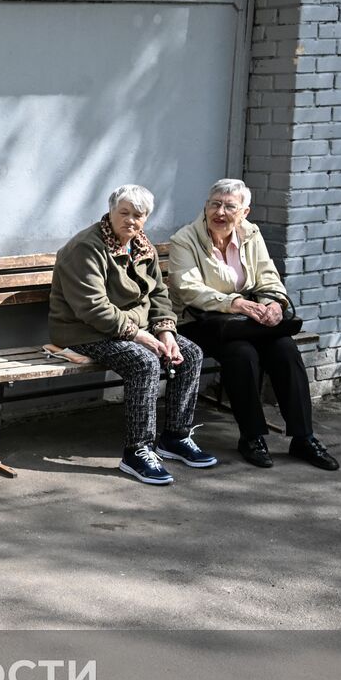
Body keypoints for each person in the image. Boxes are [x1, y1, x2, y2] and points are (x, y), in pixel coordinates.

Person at [48, 185, 217, 485]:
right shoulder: (87, 248)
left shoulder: (142, 246)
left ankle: (176, 436)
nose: (130, 220)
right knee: (144, 362)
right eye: (123, 213)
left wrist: (165, 330)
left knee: (189, 353)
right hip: (83, 330)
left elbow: (160, 295)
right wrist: (138, 334)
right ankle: (137, 450)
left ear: (146, 218)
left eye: (138, 215)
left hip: (131, 329)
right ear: (111, 211)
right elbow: (92, 308)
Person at [167, 178, 339, 470]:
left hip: (245, 321)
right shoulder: (185, 239)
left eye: (229, 206)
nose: (220, 212)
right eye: (214, 204)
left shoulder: (250, 234)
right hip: (199, 322)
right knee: (242, 354)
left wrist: (274, 303)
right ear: (206, 207)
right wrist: (236, 303)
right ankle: (252, 436)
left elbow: (268, 276)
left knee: (284, 347)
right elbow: (187, 289)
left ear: (244, 212)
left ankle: (303, 437)